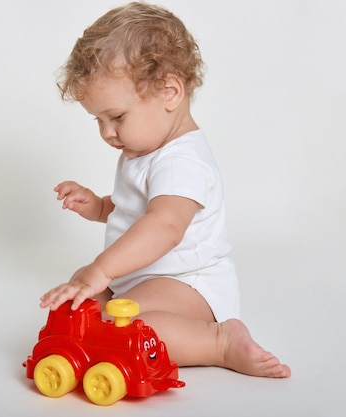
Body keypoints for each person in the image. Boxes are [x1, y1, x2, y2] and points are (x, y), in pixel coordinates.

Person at [39, 2, 291, 378]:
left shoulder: (181, 160)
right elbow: (135, 211)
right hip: (142, 278)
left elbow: (164, 226)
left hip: (189, 284)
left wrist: (103, 269)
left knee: (125, 326)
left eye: (117, 117)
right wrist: (98, 207)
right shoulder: (143, 147)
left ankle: (220, 342)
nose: (107, 132)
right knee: (84, 297)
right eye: (100, 120)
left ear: (170, 92)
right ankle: (94, 333)